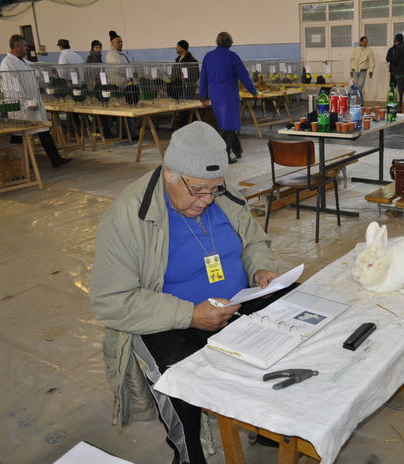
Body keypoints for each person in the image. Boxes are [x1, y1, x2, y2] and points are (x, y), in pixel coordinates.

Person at [91, 121, 289, 464]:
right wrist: (190, 315)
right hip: (168, 319)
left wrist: (260, 267)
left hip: (233, 305)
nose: (208, 200)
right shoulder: (129, 217)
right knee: (179, 378)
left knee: (288, 324)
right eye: (197, 190)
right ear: (170, 173)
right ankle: (188, 455)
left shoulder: (221, 195)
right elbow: (112, 301)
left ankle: (265, 422)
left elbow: (254, 240)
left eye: (214, 189)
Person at [0, 34, 71, 168]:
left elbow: (35, 67)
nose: (26, 48)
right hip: (22, 106)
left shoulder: (22, 61)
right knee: (19, 134)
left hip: (33, 104)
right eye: (24, 46)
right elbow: (11, 86)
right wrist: (26, 101)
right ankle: (17, 162)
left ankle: (55, 159)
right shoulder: (7, 63)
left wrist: (50, 70)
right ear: (18, 47)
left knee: (43, 129)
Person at [199, 32, 257, 164]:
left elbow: (203, 78)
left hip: (215, 94)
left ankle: (237, 150)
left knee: (226, 122)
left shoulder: (208, 57)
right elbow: (244, 75)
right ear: (230, 42)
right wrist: (253, 91)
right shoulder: (232, 56)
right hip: (228, 94)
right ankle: (225, 155)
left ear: (217, 42)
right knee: (228, 125)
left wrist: (203, 96)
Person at [386, 33, 404, 109]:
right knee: (403, 88)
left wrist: (392, 60)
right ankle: (402, 103)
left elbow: (395, 60)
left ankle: (402, 105)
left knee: (401, 90)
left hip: (399, 72)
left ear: (396, 40)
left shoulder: (398, 48)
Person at [173, 40, 198, 128]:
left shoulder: (191, 61)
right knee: (181, 109)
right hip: (179, 88)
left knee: (187, 109)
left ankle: (187, 126)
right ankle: (183, 126)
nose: (176, 48)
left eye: (177, 46)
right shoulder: (177, 60)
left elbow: (195, 76)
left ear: (182, 48)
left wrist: (186, 79)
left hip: (188, 88)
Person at [349, 36, 374, 101]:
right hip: (355, 71)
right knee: (355, 87)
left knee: (359, 87)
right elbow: (352, 60)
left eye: (367, 42)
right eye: (365, 42)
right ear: (361, 42)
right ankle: (359, 102)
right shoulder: (355, 49)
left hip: (363, 71)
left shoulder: (369, 50)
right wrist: (351, 70)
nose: (366, 43)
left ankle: (356, 102)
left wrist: (371, 71)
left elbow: (371, 61)